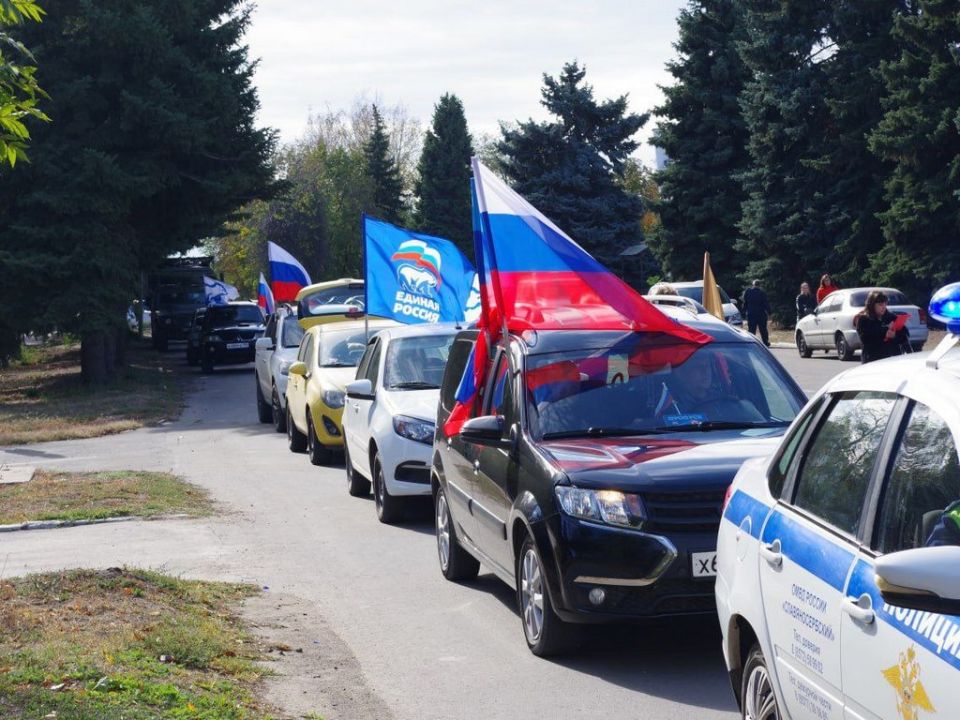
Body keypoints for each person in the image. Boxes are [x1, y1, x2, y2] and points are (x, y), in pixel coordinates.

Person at [855, 289, 908, 364]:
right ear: (872, 305)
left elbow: (904, 337)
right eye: (880, 305)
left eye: (885, 304)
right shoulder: (863, 319)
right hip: (872, 360)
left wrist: (894, 336)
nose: (883, 307)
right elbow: (866, 340)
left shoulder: (891, 317)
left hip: (892, 360)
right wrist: (885, 332)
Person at [741, 279, 770, 347]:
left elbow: (745, 302)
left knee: (751, 329)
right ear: (759, 285)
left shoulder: (748, 291)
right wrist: (769, 312)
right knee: (763, 329)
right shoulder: (762, 292)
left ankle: (751, 341)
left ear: (753, 285)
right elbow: (766, 303)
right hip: (761, 314)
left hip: (751, 313)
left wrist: (743, 311)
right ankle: (765, 342)